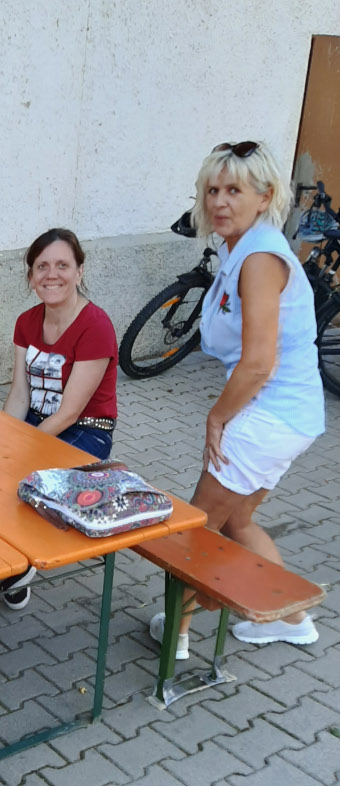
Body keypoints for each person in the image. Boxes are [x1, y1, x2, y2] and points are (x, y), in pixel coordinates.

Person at [149, 140, 325, 659]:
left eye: (234, 191)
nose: (220, 202)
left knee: (196, 530)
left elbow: (258, 363)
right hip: (288, 415)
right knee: (236, 522)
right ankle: (291, 619)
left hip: (269, 415)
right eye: (212, 190)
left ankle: (176, 635)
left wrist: (217, 417)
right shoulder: (242, 249)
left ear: (265, 197)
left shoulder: (261, 258)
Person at [1, 228, 119, 609]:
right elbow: (19, 393)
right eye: (42, 267)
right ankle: (4, 550)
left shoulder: (95, 325)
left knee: (25, 477)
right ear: (31, 276)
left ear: (79, 271)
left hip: (86, 430)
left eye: (62, 265)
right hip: (38, 423)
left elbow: (70, 411)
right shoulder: (26, 322)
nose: (52, 275)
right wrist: (1, 436)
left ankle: (22, 558)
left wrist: (20, 447)